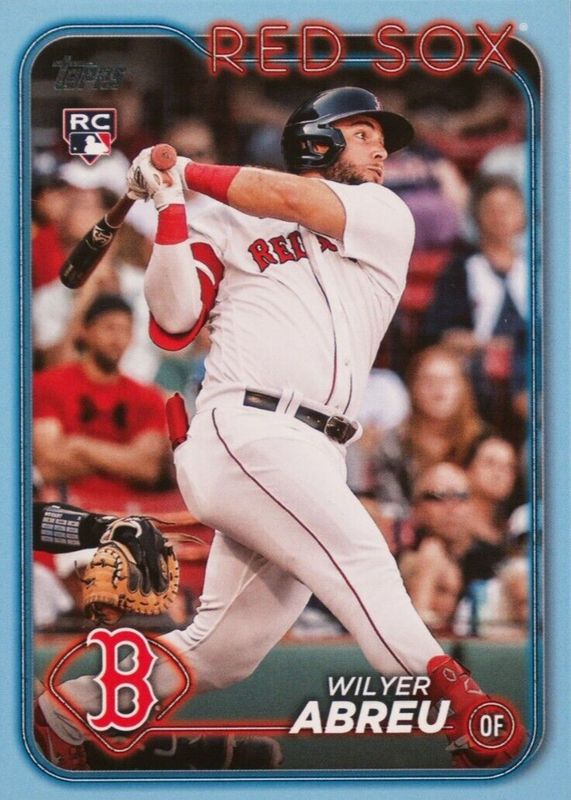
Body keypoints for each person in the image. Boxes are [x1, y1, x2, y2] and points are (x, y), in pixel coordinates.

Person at [36, 87, 525, 769]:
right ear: (316, 140)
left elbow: (290, 198)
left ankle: (65, 713)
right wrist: (172, 207)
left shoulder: (382, 212)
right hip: (247, 426)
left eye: (381, 138)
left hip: (315, 451)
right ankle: (464, 709)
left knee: (224, 653)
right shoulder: (226, 221)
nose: (381, 149)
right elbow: (173, 321)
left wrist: (185, 173)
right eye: (363, 133)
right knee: (360, 554)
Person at [33, 294, 170, 510]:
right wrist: (124, 458)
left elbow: (147, 468)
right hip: (66, 507)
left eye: (125, 330)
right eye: (109, 328)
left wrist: (80, 446)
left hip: (129, 512)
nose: (117, 339)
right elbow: (47, 463)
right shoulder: (49, 384)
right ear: (85, 330)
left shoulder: (148, 397)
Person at [372, 346, 487, 515]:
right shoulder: (393, 443)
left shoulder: (483, 442)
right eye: (429, 381)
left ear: (463, 387)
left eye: (447, 381)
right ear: (413, 388)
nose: (438, 389)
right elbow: (389, 506)